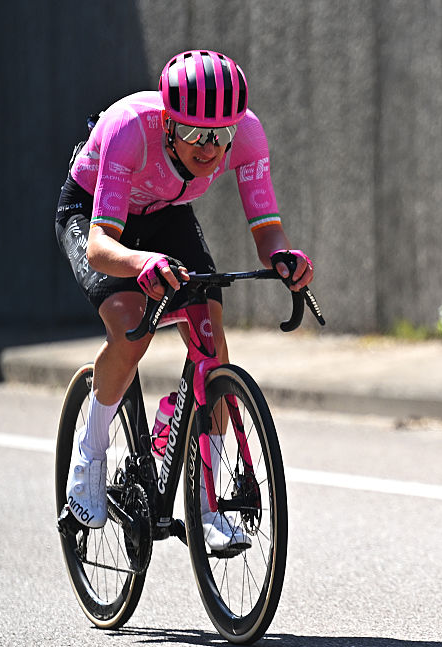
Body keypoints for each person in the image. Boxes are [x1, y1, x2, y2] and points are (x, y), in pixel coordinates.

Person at [56, 50, 314, 550]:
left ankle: (208, 503)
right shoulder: (131, 126)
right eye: (197, 134)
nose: (211, 148)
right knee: (133, 327)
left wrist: (284, 257)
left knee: (212, 344)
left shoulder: (249, 134)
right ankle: (88, 457)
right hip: (96, 213)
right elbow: (101, 246)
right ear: (169, 123)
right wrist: (140, 264)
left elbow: (266, 225)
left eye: (222, 136)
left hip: (165, 212)